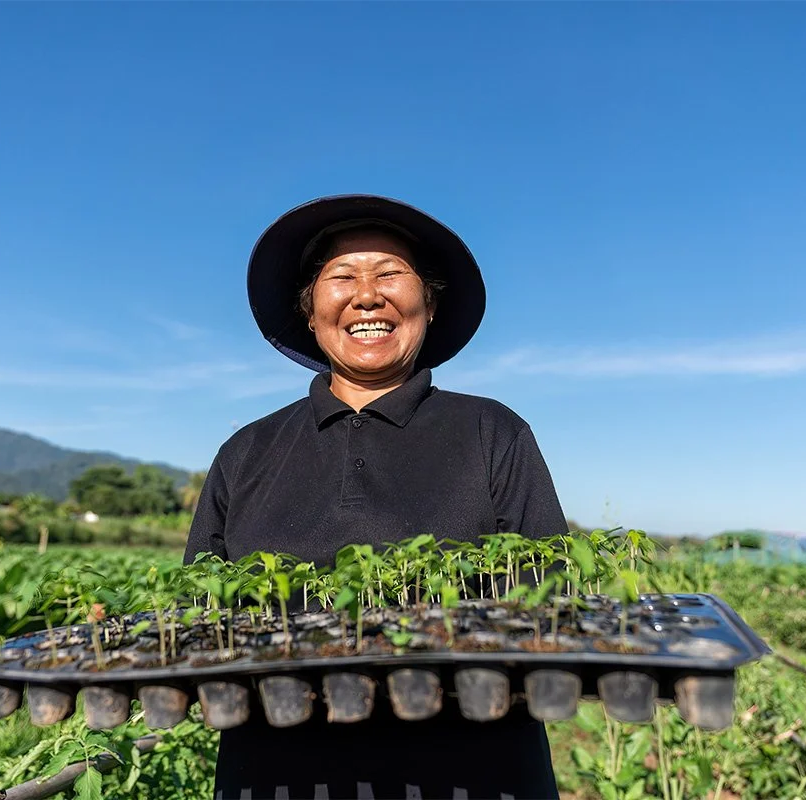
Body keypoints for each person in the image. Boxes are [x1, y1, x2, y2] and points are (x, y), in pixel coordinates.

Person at [184, 194, 570, 800]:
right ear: (310, 311)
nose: (367, 295)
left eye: (390, 274)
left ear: (430, 305)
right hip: (275, 774)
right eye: (342, 277)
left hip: (474, 774)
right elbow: (200, 614)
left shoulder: (492, 433)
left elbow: (556, 598)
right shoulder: (247, 451)